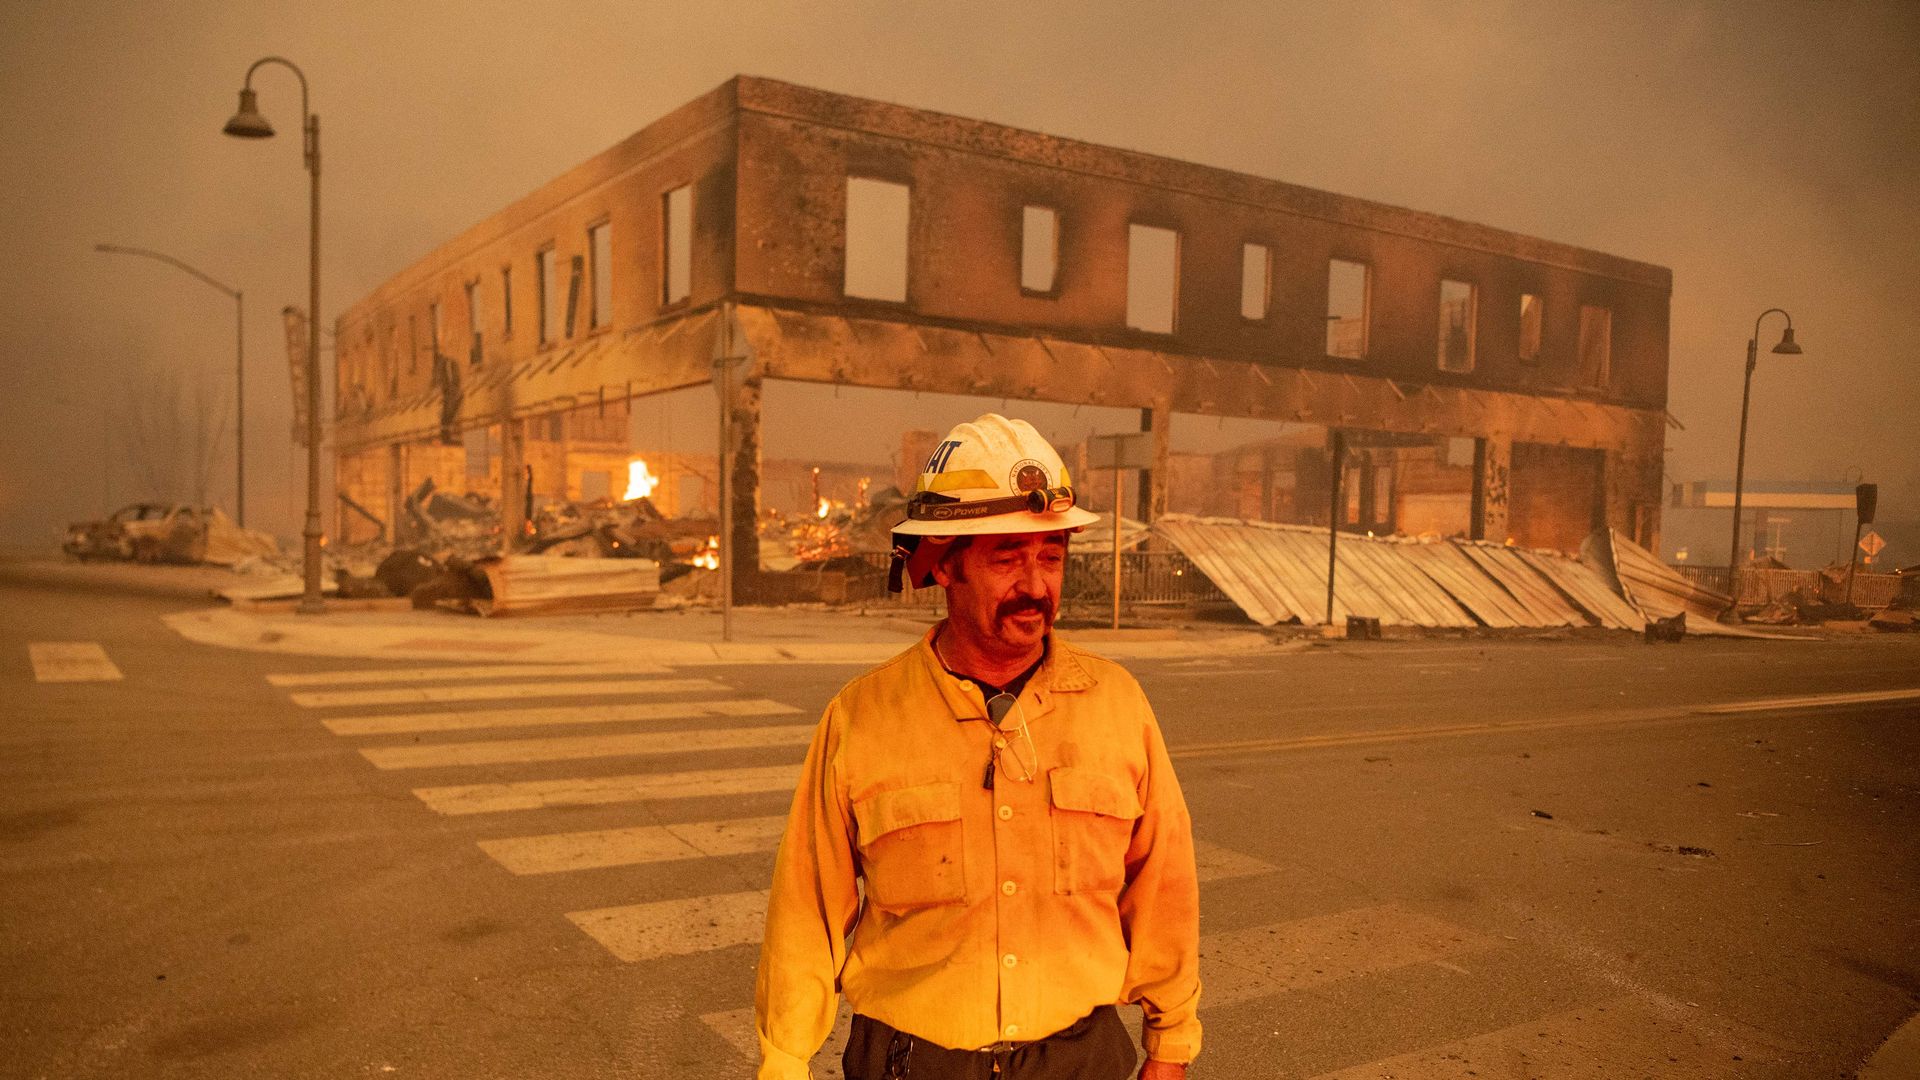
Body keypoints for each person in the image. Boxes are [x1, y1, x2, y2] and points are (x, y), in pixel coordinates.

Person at [755, 414, 1201, 1080]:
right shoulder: (863, 717)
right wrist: (784, 1063)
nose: (1036, 584)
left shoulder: (1117, 705)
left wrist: (1170, 1046)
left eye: (1050, 556)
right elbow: (805, 912)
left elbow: (1163, 886)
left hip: (1081, 1060)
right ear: (947, 566)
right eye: (1007, 557)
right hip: (911, 1063)